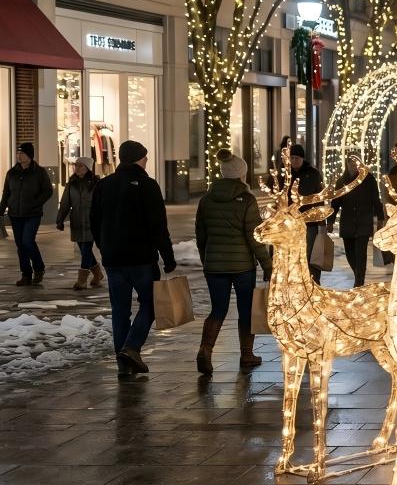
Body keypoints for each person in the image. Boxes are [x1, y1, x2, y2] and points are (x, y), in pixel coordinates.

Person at [91, 140, 176, 377]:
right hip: (141, 259)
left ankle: (123, 364)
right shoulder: (147, 185)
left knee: (120, 310)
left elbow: (94, 221)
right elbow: (158, 225)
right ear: (138, 158)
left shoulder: (104, 185)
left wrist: (104, 247)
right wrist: (167, 256)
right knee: (150, 303)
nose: (147, 160)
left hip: (114, 259)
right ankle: (131, 347)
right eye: (145, 157)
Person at [195, 150, 273, 374]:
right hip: (242, 267)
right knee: (246, 310)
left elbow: (201, 235)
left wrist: (206, 258)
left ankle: (205, 350)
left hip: (214, 266)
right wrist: (268, 265)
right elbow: (255, 237)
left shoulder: (206, 200)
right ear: (241, 174)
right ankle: (246, 354)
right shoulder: (247, 200)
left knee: (217, 309)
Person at [2, 143, 53, 286]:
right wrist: (2, 210)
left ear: (30, 156)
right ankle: (26, 274)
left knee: (27, 241)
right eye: (18, 153)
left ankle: (39, 268)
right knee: (20, 245)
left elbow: (48, 191)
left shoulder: (39, 172)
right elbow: (6, 193)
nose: (19, 156)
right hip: (15, 214)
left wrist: (36, 203)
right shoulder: (11, 173)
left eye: (22, 153)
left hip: (32, 214)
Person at [329, 156, 385, 287]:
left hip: (363, 221)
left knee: (361, 253)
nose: (353, 167)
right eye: (350, 164)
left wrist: (380, 218)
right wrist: (330, 221)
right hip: (348, 222)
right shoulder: (342, 181)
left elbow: (376, 199)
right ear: (346, 165)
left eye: (355, 164)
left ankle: (359, 281)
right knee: (350, 253)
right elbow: (335, 203)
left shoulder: (368, 179)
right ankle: (357, 274)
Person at [56, 156, 100, 289]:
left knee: (86, 250)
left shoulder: (96, 183)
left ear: (88, 168)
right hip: (77, 222)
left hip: (92, 222)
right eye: (76, 165)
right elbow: (65, 204)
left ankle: (82, 281)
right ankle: (98, 274)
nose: (77, 168)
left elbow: (103, 203)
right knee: (83, 250)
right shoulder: (71, 184)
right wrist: (60, 220)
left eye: (81, 165)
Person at [287, 144, 327, 284]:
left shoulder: (313, 174)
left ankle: (314, 282)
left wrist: (322, 222)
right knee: (293, 255)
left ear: (302, 158)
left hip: (310, 222)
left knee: (310, 254)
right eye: (291, 157)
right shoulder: (286, 175)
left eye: (297, 157)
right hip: (290, 223)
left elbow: (319, 198)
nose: (294, 160)